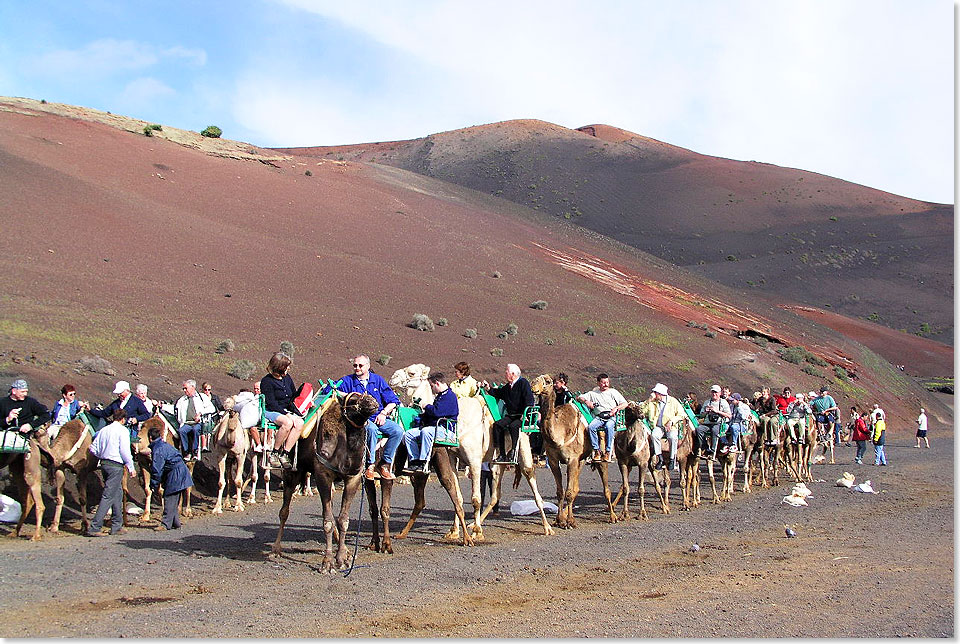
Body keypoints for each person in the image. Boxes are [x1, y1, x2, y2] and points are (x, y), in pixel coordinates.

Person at [329, 354, 402, 480]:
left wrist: (383, 413)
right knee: (372, 430)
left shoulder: (377, 380)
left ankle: (385, 463)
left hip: (378, 416)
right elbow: (331, 389)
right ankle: (370, 464)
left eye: (360, 365)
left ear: (368, 366)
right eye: (355, 365)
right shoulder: (348, 381)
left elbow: (393, 400)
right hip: (359, 419)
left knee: (398, 431)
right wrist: (344, 394)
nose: (357, 368)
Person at [86, 408, 137, 536]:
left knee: (117, 493)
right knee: (108, 495)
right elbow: (125, 450)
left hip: (104, 464)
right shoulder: (123, 431)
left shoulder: (103, 430)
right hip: (116, 465)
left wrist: (102, 454)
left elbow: (93, 448)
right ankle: (95, 526)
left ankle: (117, 525)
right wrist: (131, 467)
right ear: (123, 419)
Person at [402, 372, 459, 473]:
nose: (432, 389)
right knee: (409, 434)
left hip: (446, 430)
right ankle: (414, 461)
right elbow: (433, 414)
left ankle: (424, 462)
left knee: (426, 431)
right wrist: (420, 416)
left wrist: (426, 406)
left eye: (432, 386)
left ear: (437, 383)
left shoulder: (450, 396)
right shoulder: (440, 396)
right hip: (435, 428)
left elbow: (437, 412)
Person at [480, 364, 535, 464]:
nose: (505, 374)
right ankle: (501, 454)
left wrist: (526, 414)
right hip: (511, 415)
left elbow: (529, 400)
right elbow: (498, 393)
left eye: (507, 372)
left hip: (523, 416)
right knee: (497, 425)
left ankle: (513, 452)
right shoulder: (508, 387)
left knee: (513, 426)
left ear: (513, 374)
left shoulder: (523, 383)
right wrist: (488, 388)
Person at [260, 352, 305, 470]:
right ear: (280, 367)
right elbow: (271, 403)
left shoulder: (287, 378)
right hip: (271, 410)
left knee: (299, 422)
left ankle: (285, 453)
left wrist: (302, 394)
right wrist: (286, 413)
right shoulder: (266, 381)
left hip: (286, 410)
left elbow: (292, 396)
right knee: (287, 422)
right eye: (286, 366)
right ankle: (274, 452)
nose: (288, 368)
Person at [147, 424, 194, 531]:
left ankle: (165, 524)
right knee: (174, 497)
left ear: (150, 438)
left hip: (176, 473)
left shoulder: (158, 449)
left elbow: (157, 470)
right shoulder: (164, 445)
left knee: (169, 497)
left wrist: (154, 484)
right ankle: (175, 522)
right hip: (181, 471)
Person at [577, 373, 629, 462]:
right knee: (591, 427)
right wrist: (587, 402)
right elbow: (579, 397)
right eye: (603, 382)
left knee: (609, 426)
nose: (605, 384)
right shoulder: (593, 393)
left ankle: (608, 451)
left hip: (611, 416)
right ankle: (596, 450)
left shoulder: (613, 392)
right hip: (599, 417)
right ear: (598, 383)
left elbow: (625, 403)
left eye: (607, 382)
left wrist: (616, 408)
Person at [646, 383, 686, 471]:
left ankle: (672, 459)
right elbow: (643, 410)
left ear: (661, 394)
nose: (654, 394)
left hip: (671, 426)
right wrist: (648, 400)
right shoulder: (652, 402)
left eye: (655, 392)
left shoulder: (673, 401)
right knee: (654, 435)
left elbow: (682, 414)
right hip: (659, 426)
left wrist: (672, 421)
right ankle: (660, 458)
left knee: (672, 437)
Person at [174, 379, 215, 462]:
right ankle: (186, 452)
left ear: (192, 387)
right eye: (184, 389)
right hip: (186, 423)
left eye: (186, 388)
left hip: (197, 423)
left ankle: (195, 451)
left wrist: (200, 414)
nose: (184, 390)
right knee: (182, 431)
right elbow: (175, 409)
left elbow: (212, 408)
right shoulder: (182, 400)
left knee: (195, 430)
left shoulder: (201, 397)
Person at [0, 379, 50, 445]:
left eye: (26, 392)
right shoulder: (2, 402)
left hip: (24, 437)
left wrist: (30, 425)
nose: (25, 394)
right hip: (5, 435)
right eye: (22, 392)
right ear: (14, 391)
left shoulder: (31, 402)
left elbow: (46, 415)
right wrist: (8, 419)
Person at [696, 385, 731, 459]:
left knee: (715, 430)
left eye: (716, 392)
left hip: (719, 423)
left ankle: (713, 451)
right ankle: (705, 448)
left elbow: (729, 415)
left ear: (719, 393)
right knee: (699, 429)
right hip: (707, 423)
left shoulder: (723, 402)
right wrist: (706, 411)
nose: (714, 394)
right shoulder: (707, 402)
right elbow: (701, 416)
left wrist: (717, 411)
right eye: (713, 392)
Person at [234, 388, 263, 452]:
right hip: (252, 419)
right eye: (255, 389)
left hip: (257, 419)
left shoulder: (260, 399)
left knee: (252, 428)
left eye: (258, 389)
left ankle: (259, 444)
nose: (256, 390)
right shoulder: (251, 399)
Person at [199, 382, 223, 451]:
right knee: (204, 427)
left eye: (209, 390)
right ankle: (204, 446)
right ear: (203, 390)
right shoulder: (200, 398)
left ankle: (209, 445)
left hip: (214, 417)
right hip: (203, 417)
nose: (207, 391)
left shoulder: (214, 398)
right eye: (205, 389)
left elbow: (220, 407)